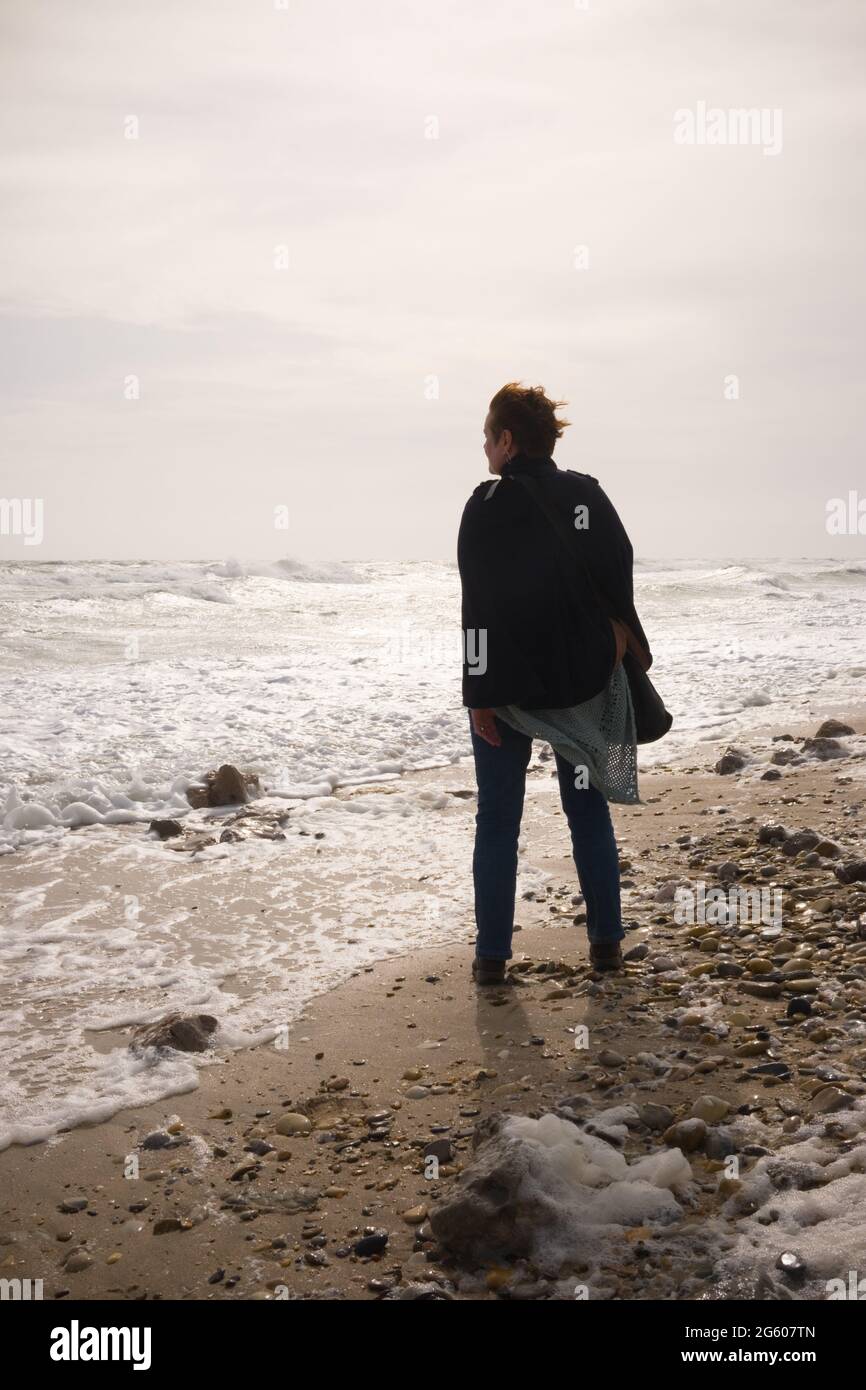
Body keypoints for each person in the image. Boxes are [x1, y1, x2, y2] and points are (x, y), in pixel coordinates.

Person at [457, 382, 654, 985]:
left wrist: (479, 695)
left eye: (488, 436)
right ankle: (606, 948)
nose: (484, 447)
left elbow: (478, 607)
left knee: (497, 821)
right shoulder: (586, 495)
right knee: (587, 813)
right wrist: (619, 637)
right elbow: (617, 569)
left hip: (510, 691)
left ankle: (492, 960)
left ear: (508, 440)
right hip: (583, 686)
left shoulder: (486, 504)